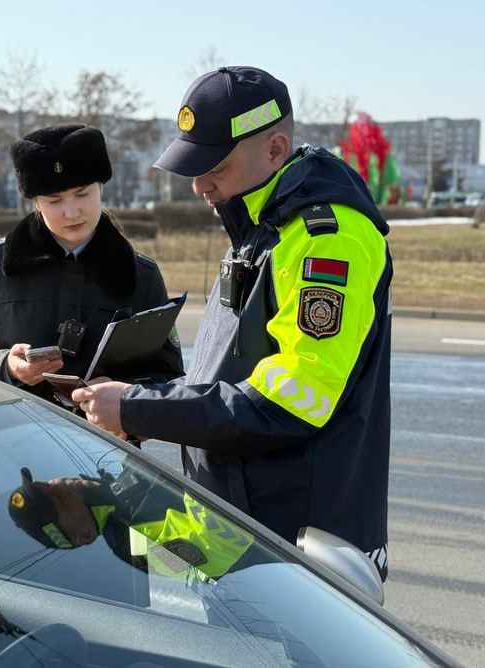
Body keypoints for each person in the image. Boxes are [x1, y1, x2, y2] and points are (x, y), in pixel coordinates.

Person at [73, 67, 392, 580]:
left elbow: (293, 400)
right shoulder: (262, 226)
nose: (199, 185)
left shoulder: (326, 239)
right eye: (192, 166)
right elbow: (227, 380)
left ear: (274, 148)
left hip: (302, 551)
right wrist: (139, 398)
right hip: (247, 530)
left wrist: (138, 410)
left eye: (214, 165)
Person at [0, 124, 184, 404]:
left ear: (100, 188)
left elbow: (169, 376)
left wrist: (125, 395)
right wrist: (6, 366)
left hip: (105, 443)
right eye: (54, 200)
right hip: (13, 439)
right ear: (35, 202)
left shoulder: (141, 274)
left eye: (82, 194)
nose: (71, 212)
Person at [7, 465, 262, 582]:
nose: (54, 485)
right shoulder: (133, 544)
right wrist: (201, 453)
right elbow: (226, 547)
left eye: (44, 486)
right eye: (54, 501)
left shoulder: (110, 484)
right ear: (84, 536)